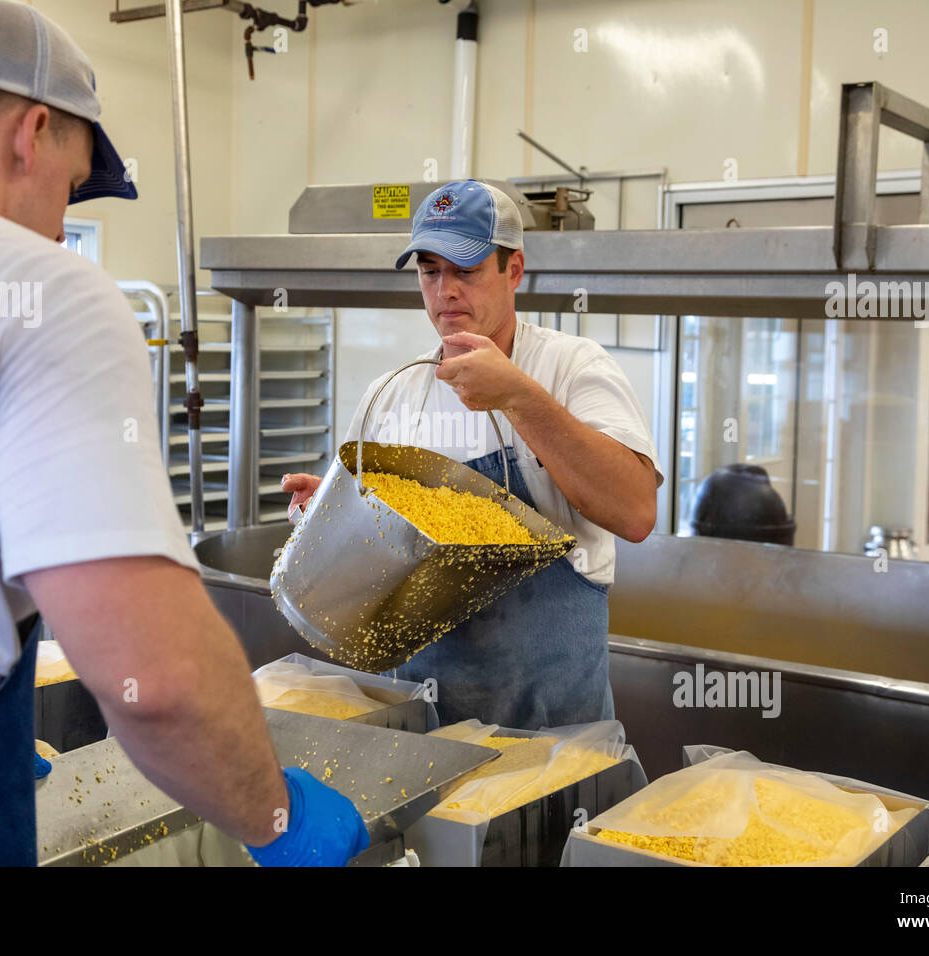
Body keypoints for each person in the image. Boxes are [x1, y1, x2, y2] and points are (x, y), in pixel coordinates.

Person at [0, 0, 365, 867]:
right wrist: (276, 817)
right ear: (33, 131)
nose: (62, 225)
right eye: (70, 184)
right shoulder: (47, 290)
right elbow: (158, 682)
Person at [283, 180, 663, 730]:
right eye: (430, 271)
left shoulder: (572, 368)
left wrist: (516, 397)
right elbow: (380, 561)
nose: (445, 291)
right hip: (423, 730)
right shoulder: (394, 395)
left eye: (466, 270)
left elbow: (635, 512)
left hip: (553, 731)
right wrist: (339, 516)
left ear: (514, 270)